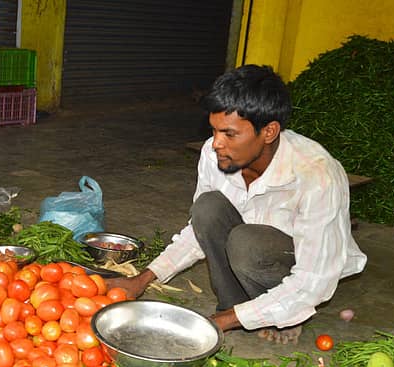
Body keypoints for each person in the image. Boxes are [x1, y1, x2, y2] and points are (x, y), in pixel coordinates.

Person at [109, 65, 367, 343]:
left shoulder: (317, 175)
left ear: (268, 132)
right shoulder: (214, 155)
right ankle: (240, 306)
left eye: (229, 134)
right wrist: (143, 278)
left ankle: (286, 313)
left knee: (247, 242)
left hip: (288, 263)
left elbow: (313, 280)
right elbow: (199, 231)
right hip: (247, 252)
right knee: (207, 209)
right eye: (214, 130)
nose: (216, 143)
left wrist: (218, 323)